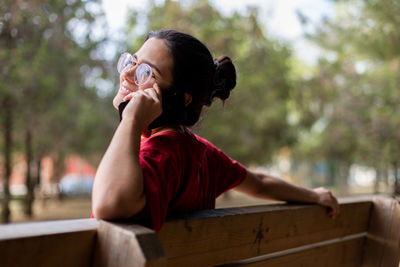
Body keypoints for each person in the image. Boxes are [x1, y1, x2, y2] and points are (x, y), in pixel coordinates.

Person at [92, 29, 339, 232]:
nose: (126, 74)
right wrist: (314, 196)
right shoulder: (200, 153)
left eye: (147, 72)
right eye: (132, 61)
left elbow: (108, 203)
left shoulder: (162, 154)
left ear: (181, 98)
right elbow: (260, 184)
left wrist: (131, 119)